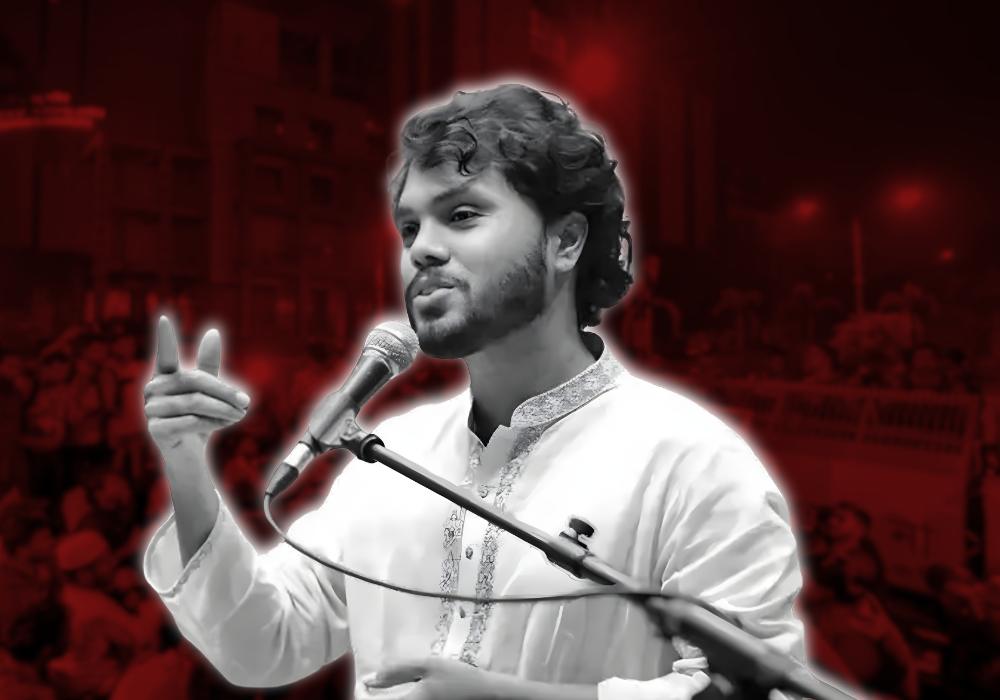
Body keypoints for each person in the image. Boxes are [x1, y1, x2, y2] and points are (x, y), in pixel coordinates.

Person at [142, 85, 811, 700]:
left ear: (566, 240)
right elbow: (264, 643)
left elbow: (760, 692)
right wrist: (186, 464)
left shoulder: (691, 461)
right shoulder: (390, 455)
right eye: (410, 228)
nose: (421, 250)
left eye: (461, 215)